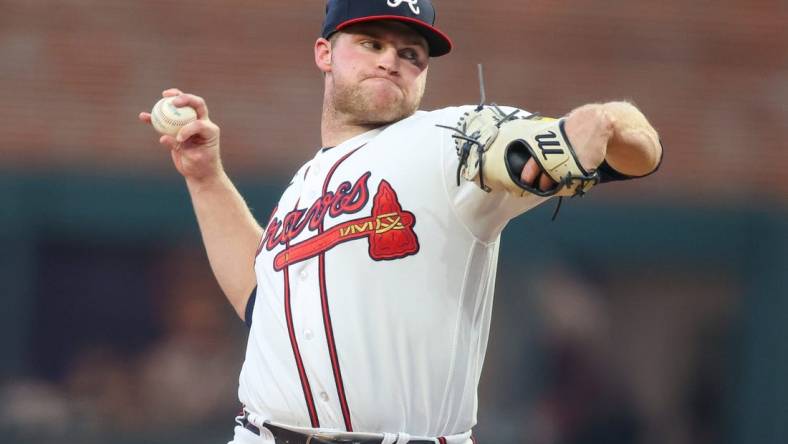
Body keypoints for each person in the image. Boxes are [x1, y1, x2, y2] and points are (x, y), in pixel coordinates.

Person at [138, 1, 662, 443]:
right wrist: (205, 178)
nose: (391, 60)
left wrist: (605, 121)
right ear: (325, 53)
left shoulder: (448, 142)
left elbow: (638, 150)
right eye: (371, 43)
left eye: (410, 54)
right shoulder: (304, 186)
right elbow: (262, 301)